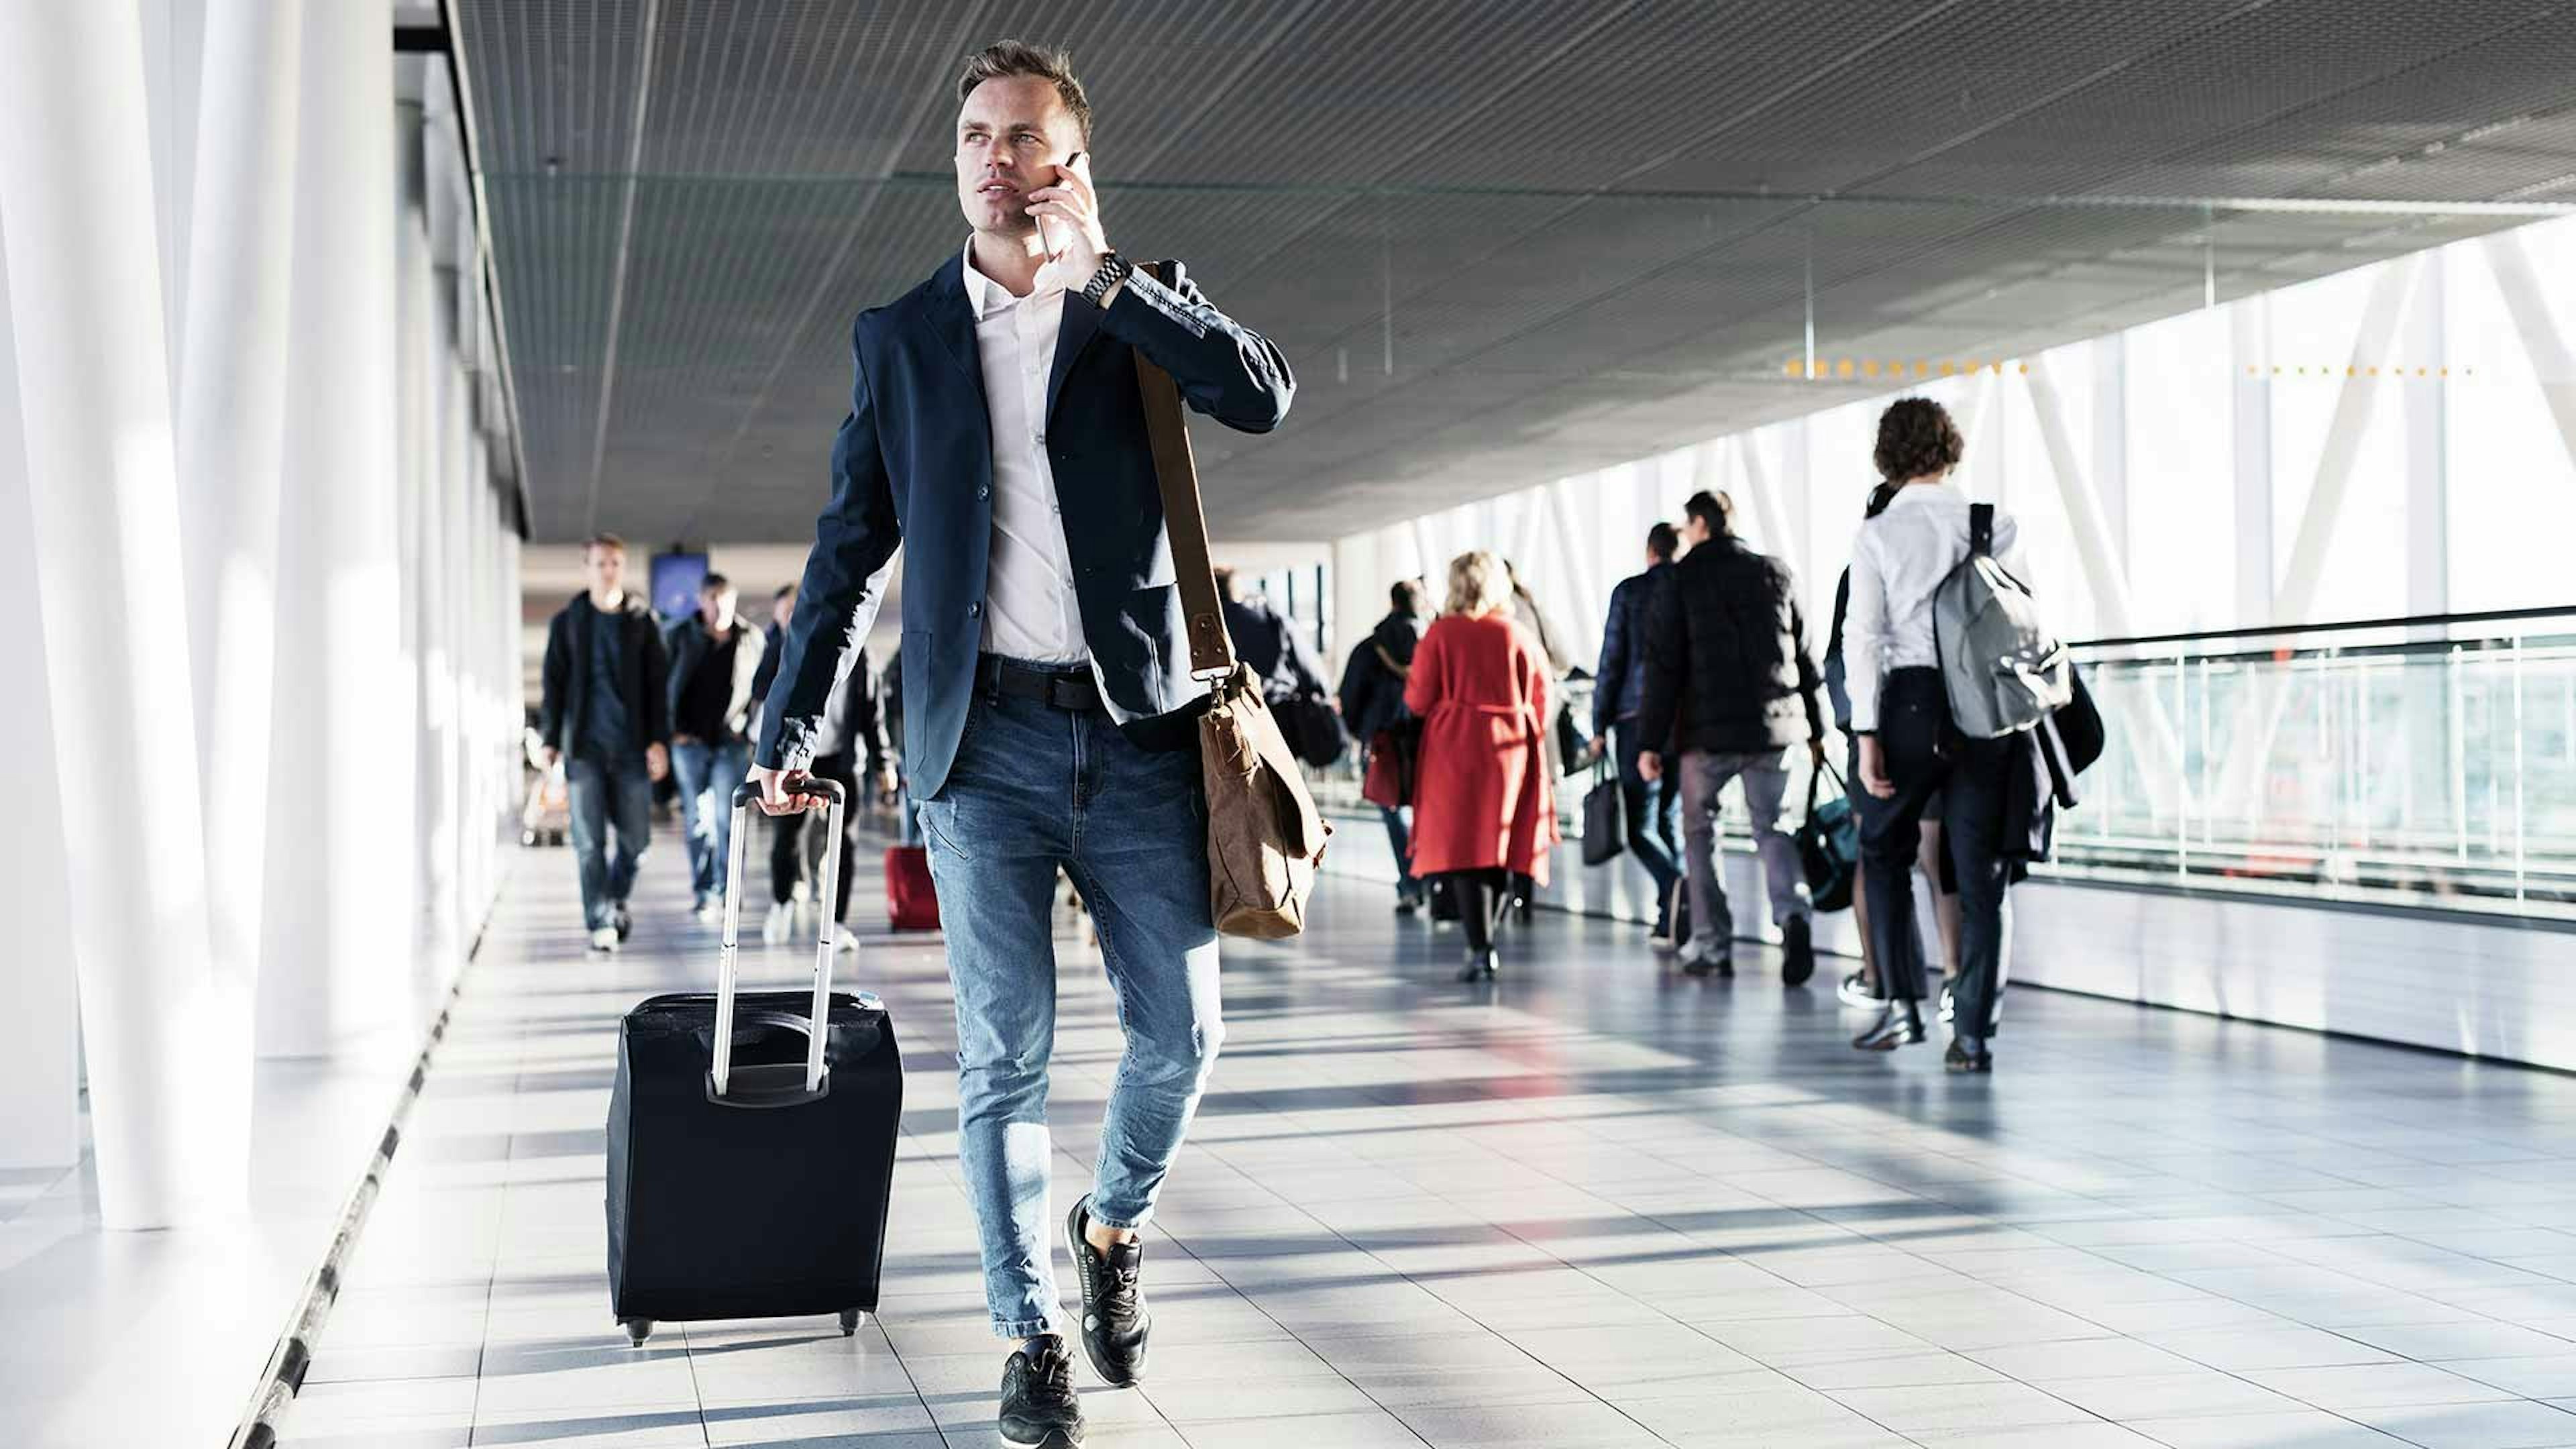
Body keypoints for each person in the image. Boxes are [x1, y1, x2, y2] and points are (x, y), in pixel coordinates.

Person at [744, 40, 1294, 1449]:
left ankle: (1110, 1224)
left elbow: (1262, 396)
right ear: (958, 162)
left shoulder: (1132, 308)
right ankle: (1025, 1333)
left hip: (1142, 738)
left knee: (1185, 1036)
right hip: (981, 743)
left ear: (1073, 163)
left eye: (1028, 134)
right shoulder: (904, 335)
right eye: (979, 133)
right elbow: (846, 553)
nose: (1000, 155)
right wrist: (795, 720)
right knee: (1003, 1060)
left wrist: (1115, 281)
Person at [1843, 397, 2023, 1072]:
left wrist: (1867, 733)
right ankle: (1972, 1032)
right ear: (1952, 450)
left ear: (1887, 459)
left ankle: (1902, 1007)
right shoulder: (1992, 523)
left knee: (1883, 852)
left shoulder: (1879, 534)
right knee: (1981, 876)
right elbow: (2022, 617)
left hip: (1909, 703)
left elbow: (1864, 638)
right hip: (1984, 708)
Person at [1635, 490, 1825, 985]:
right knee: (1774, 828)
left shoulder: (1680, 579)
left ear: (1699, 524)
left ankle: (1714, 945)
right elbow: (1806, 656)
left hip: (1706, 734)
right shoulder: (1775, 572)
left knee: (1700, 833)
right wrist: (1820, 730)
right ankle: (1794, 916)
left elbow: (1663, 667)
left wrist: (1649, 742)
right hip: (1773, 727)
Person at [1825, 484, 1964, 1014]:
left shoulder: (1864, 563)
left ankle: (1879, 976)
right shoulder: (1948, 556)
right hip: (1943, 720)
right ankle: (1953, 976)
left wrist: (1860, 732)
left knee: (1878, 857)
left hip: (1880, 729)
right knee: (1937, 857)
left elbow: (1846, 652)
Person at [1405, 551, 1560, 983]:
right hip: (1511, 750)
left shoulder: (1440, 634)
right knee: (1499, 843)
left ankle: (1480, 946)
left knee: (1462, 845)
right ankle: (1487, 941)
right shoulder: (1518, 635)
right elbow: (1543, 698)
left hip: (1454, 747)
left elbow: (1417, 699)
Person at [535, 534, 672, 952]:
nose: (607, 570)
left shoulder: (643, 622)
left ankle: (612, 898)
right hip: (585, 751)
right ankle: (599, 921)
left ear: (622, 567)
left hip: (631, 748)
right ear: (587, 568)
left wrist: (658, 741)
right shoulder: (569, 622)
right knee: (589, 842)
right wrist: (550, 739)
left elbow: (657, 686)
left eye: (614, 563)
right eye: (599, 563)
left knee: (636, 843)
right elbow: (553, 684)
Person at [1584, 523, 1685, 947]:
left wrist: (1598, 724)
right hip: (1684, 724)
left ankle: (1677, 891)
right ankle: (1673, 913)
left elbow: (1612, 659)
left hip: (1634, 721)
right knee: (1669, 819)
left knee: (1640, 827)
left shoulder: (1629, 592)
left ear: (1650, 552)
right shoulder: (1690, 590)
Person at [762, 645, 895, 945]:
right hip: (797, 759)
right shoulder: (794, 650)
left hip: (843, 758)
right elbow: (772, 704)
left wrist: (883, 760)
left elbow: (872, 712)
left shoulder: (860, 656)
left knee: (845, 841)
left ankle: (836, 923)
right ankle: (781, 901)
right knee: (787, 835)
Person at [665, 573, 767, 918]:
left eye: (725, 599)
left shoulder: (751, 638)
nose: (719, 606)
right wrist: (671, 730)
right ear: (702, 601)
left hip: (731, 742)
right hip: (689, 742)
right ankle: (705, 891)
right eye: (712, 599)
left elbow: (763, 691)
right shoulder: (680, 636)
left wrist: (751, 731)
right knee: (697, 819)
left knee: (729, 818)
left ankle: (730, 890)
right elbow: (664, 683)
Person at [1337, 578, 1428, 912]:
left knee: (1392, 812)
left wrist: (1360, 731)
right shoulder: (1432, 643)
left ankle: (1410, 884)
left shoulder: (1372, 646)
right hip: (1427, 739)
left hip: (1383, 742)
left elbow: (1350, 694)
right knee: (1427, 810)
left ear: (1393, 604)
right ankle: (1432, 879)